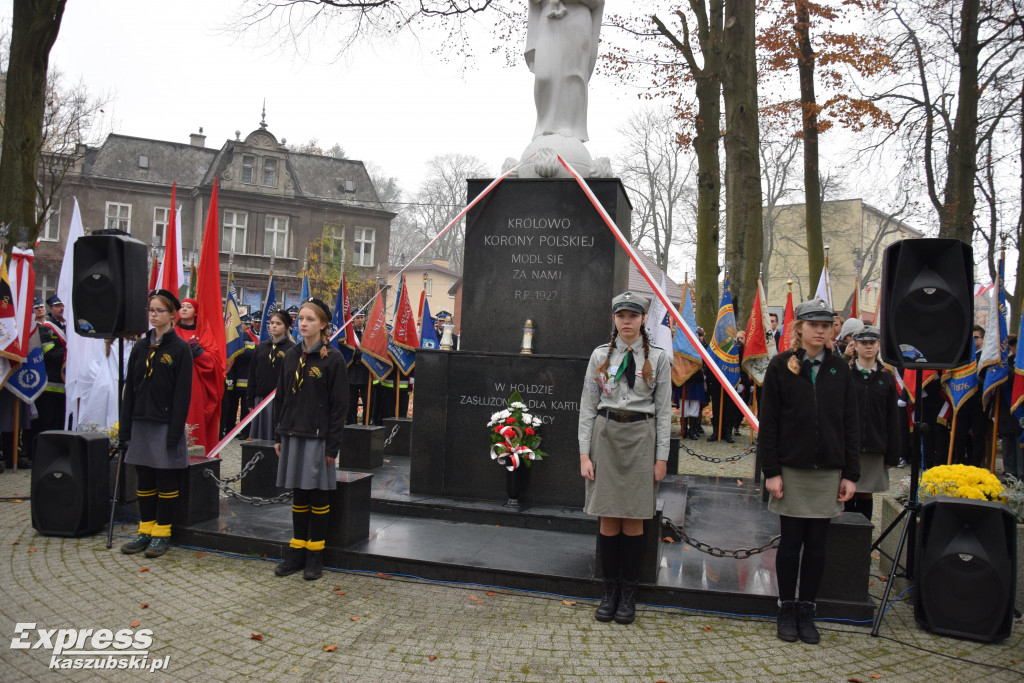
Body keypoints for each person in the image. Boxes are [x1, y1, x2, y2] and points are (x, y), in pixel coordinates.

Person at [758, 297, 859, 645]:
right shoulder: (779, 366)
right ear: (798, 327)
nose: (820, 330)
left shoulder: (839, 369)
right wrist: (771, 471)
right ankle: (786, 607)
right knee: (790, 544)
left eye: (826, 325)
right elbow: (768, 423)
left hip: (828, 471)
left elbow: (850, 422)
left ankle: (807, 609)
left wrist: (850, 473)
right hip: (791, 470)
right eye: (813, 324)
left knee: (817, 546)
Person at [578, 291, 671, 625]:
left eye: (633, 316)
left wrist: (662, 458)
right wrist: (584, 453)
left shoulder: (657, 358)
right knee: (607, 517)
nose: (627, 321)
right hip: (606, 437)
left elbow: (663, 411)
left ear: (643, 319)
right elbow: (588, 407)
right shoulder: (600, 356)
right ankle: (609, 591)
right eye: (622, 316)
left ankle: (629, 593)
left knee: (633, 519)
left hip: (641, 439)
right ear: (614, 320)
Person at [273, 298, 349, 581]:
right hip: (293, 434)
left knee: (318, 496)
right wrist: (278, 433)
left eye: (310, 319)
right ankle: (297, 550)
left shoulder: (333, 360)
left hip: (318, 439)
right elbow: (282, 397)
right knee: (299, 495)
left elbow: (340, 406)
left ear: (324, 325)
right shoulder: (290, 356)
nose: (303, 323)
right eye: (301, 318)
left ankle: (316, 554)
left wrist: (333, 445)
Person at [119, 290, 193, 558]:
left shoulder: (180, 349)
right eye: (150, 309)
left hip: (165, 424)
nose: (153, 314)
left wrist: (175, 432)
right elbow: (131, 389)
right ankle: (144, 530)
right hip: (141, 422)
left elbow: (182, 394)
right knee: (145, 479)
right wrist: (125, 428)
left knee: (165, 479)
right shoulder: (140, 347)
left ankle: (162, 533)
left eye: (159, 310)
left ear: (172, 315)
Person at [525, 0, 604, 143]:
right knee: (543, 75)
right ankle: (543, 126)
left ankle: (568, 127)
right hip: (548, 17)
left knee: (572, 73)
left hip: (577, 17)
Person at [846, 326, 900, 521]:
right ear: (855, 346)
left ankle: (862, 540)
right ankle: (843, 540)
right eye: (863, 343)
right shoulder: (846, 375)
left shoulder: (886, 378)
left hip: (875, 447)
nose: (868, 347)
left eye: (872, 343)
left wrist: (893, 454)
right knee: (845, 492)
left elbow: (892, 418)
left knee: (865, 493)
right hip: (848, 447)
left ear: (878, 346)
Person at [177, 297, 220, 454]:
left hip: (196, 386)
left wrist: (197, 351)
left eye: (189, 306)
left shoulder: (203, 333)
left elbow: (212, 362)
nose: (184, 309)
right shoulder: (171, 332)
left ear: (196, 312)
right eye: (181, 306)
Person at [247, 309, 296, 441]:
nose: (273, 326)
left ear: (286, 326)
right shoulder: (261, 347)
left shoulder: (292, 349)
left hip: (279, 401)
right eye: (271, 322)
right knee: (259, 438)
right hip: (260, 399)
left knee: (275, 437)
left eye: (278, 323)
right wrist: (250, 400)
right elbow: (252, 374)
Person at [221, 314, 257, 439]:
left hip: (246, 378)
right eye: (245, 323)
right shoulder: (238, 336)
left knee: (245, 410)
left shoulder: (252, 336)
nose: (248, 326)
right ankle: (230, 430)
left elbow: (248, 354)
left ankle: (244, 431)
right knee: (231, 407)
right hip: (233, 377)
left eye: (249, 323)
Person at [36, 295, 68, 432]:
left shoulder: (70, 328)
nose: (61, 308)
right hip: (51, 386)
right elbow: (50, 355)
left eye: (63, 305)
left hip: (67, 386)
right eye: (57, 306)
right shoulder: (46, 329)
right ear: (51, 309)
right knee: (49, 424)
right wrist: (69, 349)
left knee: (63, 425)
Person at [346, 310, 369, 425]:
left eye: (362, 317)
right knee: (351, 404)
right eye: (357, 318)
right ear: (353, 320)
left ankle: (366, 426)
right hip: (352, 373)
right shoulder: (349, 333)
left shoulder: (370, 333)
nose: (360, 320)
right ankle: (352, 426)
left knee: (367, 403)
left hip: (365, 373)